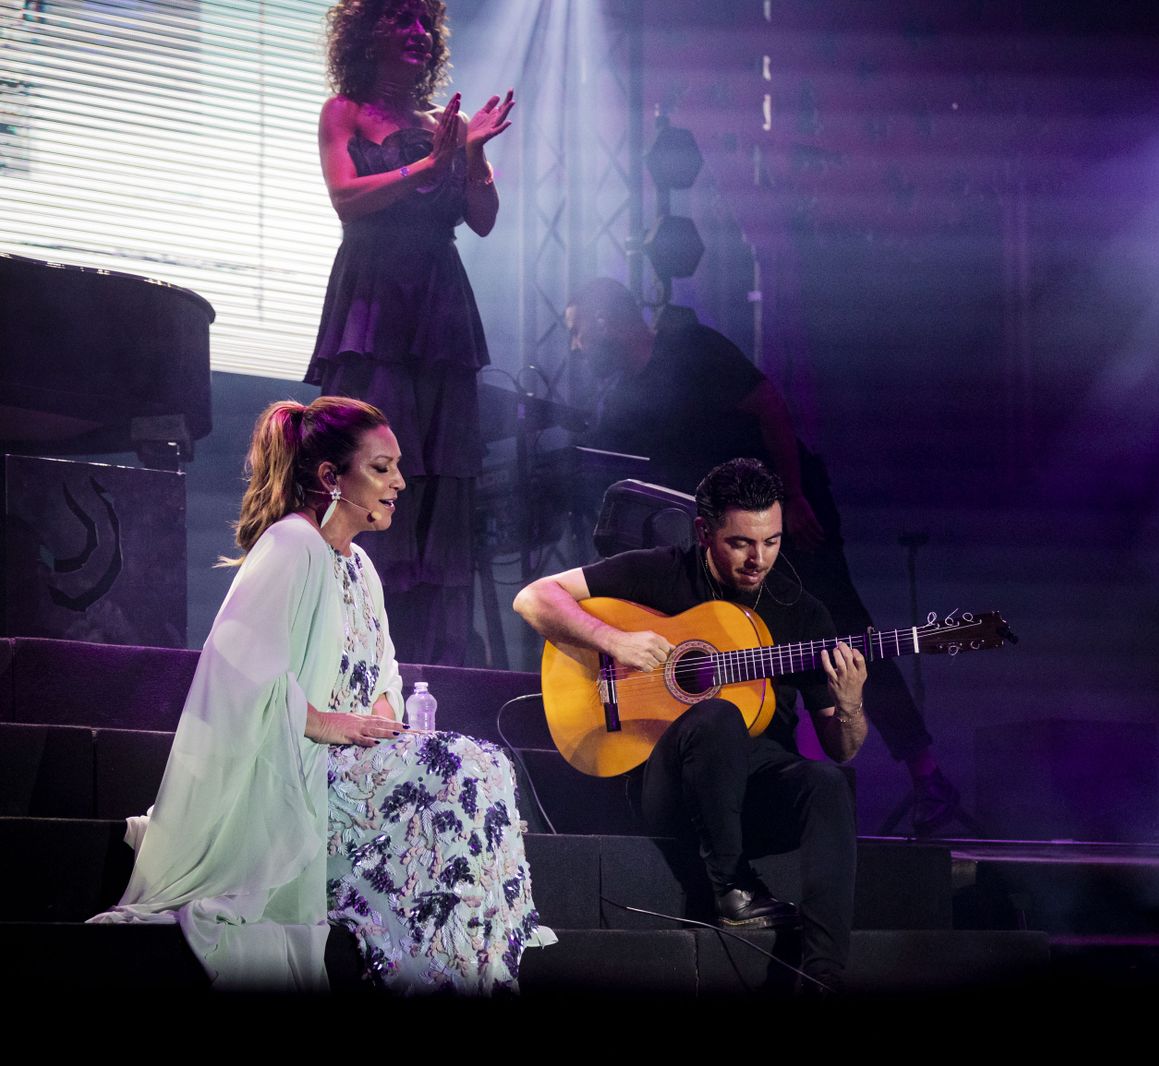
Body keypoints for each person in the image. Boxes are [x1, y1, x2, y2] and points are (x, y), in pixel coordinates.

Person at [90, 397, 553, 993]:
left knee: (481, 762)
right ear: (332, 477)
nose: (399, 483)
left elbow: (381, 671)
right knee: (464, 768)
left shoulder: (360, 564)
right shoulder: (291, 546)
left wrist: (382, 726)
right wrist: (327, 724)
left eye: (397, 467)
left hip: (357, 765)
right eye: (381, 468)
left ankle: (467, 965)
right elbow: (240, 673)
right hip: (302, 768)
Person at [565, 277, 962, 835]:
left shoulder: (691, 350)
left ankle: (927, 774)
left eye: (577, 329)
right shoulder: (623, 398)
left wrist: (793, 497)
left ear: (606, 321)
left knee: (847, 634)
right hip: (722, 546)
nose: (576, 346)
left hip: (787, 517)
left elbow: (770, 407)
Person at [515, 459, 866, 988]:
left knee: (827, 781)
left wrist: (851, 705)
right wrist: (613, 640)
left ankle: (824, 974)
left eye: (771, 542)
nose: (759, 559)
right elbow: (533, 597)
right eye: (741, 543)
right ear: (704, 532)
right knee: (719, 713)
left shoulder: (802, 613)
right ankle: (732, 889)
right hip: (669, 786)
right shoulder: (660, 572)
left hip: (754, 797)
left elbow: (842, 748)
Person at [305, 0, 515, 666]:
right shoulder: (344, 112)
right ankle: (349, 641)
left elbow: (482, 218)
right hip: (374, 305)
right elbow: (346, 197)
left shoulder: (440, 126)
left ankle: (428, 659)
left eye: (425, 25)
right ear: (367, 35)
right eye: (402, 22)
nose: (418, 35)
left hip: (438, 309)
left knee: (438, 474)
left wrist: (473, 156)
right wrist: (430, 166)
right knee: (370, 459)